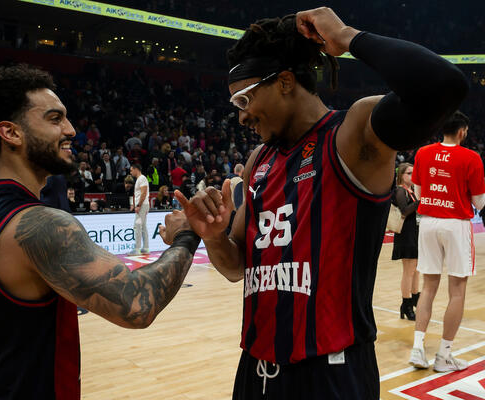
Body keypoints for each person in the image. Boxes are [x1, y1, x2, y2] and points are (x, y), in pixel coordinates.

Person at [174, 8, 468, 400]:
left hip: (333, 372)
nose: (241, 116)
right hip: (256, 367)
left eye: (245, 99)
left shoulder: (353, 135)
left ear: (284, 82)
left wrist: (347, 36)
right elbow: (235, 267)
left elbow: (445, 84)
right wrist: (213, 237)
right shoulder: (259, 161)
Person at [0, 65, 201, 399]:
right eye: (55, 119)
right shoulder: (39, 225)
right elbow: (137, 304)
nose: (71, 130)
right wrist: (187, 235)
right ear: (11, 132)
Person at [409, 111, 485, 372]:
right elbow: (479, 202)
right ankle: (443, 356)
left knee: (428, 287)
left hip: (428, 223)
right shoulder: (471, 157)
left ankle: (417, 349)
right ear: (462, 131)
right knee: (457, 291)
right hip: (455, 224)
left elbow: (418, 192)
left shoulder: (422, 153)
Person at [391, 163, 420, 320]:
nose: (412, 176)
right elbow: (405, 210)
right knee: (409, 271)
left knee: (417, 269)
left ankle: (415, 298)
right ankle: (406, 303)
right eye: (409, 173)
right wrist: (421, 200)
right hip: (406, 234)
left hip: (416, 233)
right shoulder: (400, 190)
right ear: (401, 175)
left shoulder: (413, 190)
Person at [129, 163, 150, 255]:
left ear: (136, 169)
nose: (130, 172)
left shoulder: (142, 178)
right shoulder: (140, 179)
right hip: (143, 205)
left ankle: (137, 249)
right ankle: (145, 248)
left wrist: (138, 205)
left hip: (142, 205)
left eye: (131, 170)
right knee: (143, 226)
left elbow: (143, 193)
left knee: (137, 226)